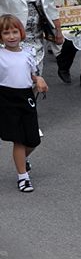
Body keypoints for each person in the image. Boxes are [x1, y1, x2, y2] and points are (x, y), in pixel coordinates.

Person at [0, 15, 48, 192]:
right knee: (18, 140)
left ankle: (22, 160)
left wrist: (39, 79)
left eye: (14, 32)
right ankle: (23, 177)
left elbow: (32, 74)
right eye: (6, 33)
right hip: (6, 98)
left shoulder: (28, 53)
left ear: (21, 33)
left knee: (33, 140)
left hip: (26, 97)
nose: (11, 36)